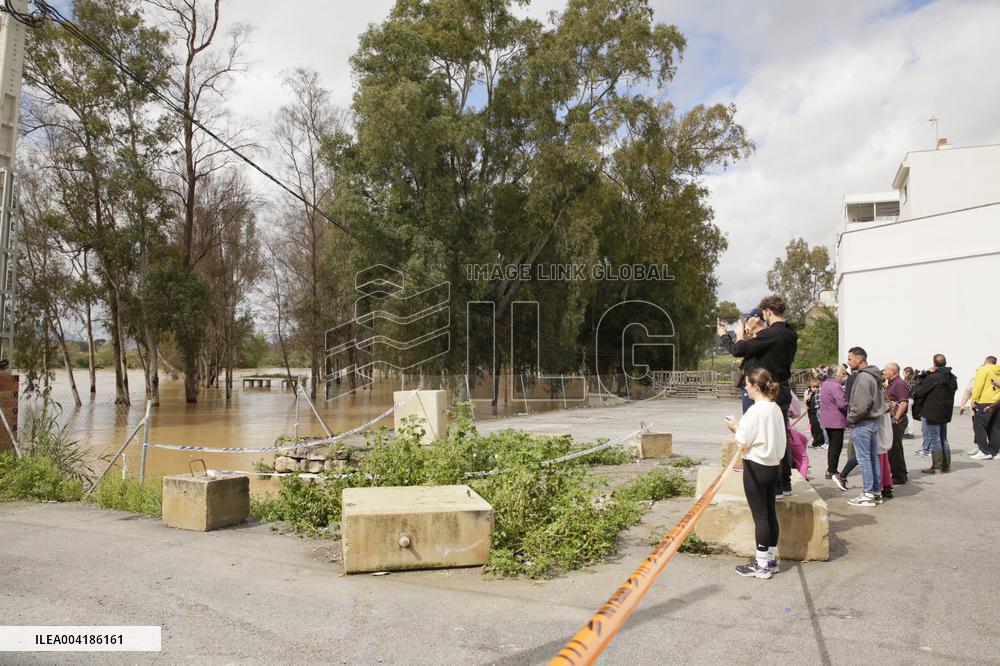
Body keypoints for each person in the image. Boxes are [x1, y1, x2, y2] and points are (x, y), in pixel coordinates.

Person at [717, 295, 798, 496]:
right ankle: (785, 483)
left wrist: (724, 335)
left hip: (768, 392)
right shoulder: (791, 333)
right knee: (782, 436)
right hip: (783, 388)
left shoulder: (771, 334)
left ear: (768, 312)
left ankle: (774, 487)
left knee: (762, 437)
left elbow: (737, 350)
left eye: (764, 314)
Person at [725, 367, 786, 580]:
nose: (745, 389)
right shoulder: (775, 408)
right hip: (773, 465)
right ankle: (770, 558)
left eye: (747, 385)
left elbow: (743, 440)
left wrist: (734, 427)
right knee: (770, 512)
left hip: (756, 466)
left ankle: (760, 565)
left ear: (756, 386)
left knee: (760, 516)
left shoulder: (755, 410)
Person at [845, 347, 885, 507]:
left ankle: (868, 493)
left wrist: (851, 418)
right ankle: (875, 491)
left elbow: (862, 404)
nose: (848, 362)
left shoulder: (863, 378)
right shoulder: (873, 375)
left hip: (863, 422)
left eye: (850, 359)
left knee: (864, 459)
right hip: (873, 421)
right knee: (872, 457)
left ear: (859, 359)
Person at [912, 354, 959, 473]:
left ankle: (937, 467)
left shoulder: (933, 377)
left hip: (932, 412)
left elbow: (919, 391)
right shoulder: (952, 377)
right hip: (945, 412)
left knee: (935, 439)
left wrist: (926, 373)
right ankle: (946, 466)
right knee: (943, 438)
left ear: (934, 364)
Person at [719, 307, 767, 414]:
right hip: (753, 386)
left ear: (757, 320)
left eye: (748, 319)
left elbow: (736, 351)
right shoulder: (758, 340)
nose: (745, 322)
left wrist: (725, 335)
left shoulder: (762, 340)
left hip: (755, 386)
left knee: (750, 418)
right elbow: (740, 349)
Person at [820, 364, 849, 483]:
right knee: (836, 447)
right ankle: (831, 470)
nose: (844, 375)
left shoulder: (826, 384)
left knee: (833, 446)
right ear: (836, 374)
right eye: (842, 372)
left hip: (828, 419)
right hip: (836, 421)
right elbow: (842, 404)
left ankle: (831, 469)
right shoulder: (836, 386)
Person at [883, 362, 909, 485]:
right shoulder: (892, 383)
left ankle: (899, 475)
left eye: (886, 370)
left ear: (893, 371)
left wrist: (897, 417)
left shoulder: (899, 383)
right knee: (894, 448)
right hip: (892, 418)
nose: (884, 372)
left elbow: (904, 402)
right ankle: (899, 473)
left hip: (897, 419)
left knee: (895, 448)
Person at [970, 355, 1000, 460]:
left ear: (986, 361)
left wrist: (974, 399)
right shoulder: (998, 370)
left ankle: (984, 451)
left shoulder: (983, 369)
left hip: (985, 401)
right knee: (995, 427)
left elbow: (978, 385)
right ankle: (995, 452)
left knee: (978, 426)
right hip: (997, 401)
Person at [804, 377, 827, 448]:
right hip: (811, 413)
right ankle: (815, 442)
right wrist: (807, 400)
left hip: (816, 411)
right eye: (812, 387)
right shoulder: (810, 393)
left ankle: (820, 442)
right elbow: (808, 405)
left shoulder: (819, 393)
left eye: (815, 387)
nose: (813, 388)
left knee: (819, 428)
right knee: (813, 428)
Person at [903, 367, 918, 438]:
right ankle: (906, 432)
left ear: (908, 373)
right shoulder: (910, 381)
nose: (903, 374)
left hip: (909, 399)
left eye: (904, 372)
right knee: (907, 416)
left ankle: (910, 433)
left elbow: (907, 392)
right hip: (908, 399)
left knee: (909, 416)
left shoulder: (911, 381)